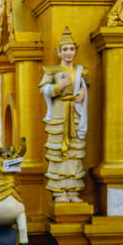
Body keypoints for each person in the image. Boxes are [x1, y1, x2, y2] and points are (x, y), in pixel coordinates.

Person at [39, 26, 89, 202]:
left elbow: (84, 87)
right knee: (58, 151)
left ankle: (73, 190)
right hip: (60, 112)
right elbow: (44, 89)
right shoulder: (52, 71)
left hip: (75, 112)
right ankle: (60, 191)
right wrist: (57, 87)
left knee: (74, 151)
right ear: (58, 52)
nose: (69, 52)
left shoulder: (81, 71)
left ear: (76, 51)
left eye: (72, 49)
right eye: (65, 49)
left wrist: (82, 93)